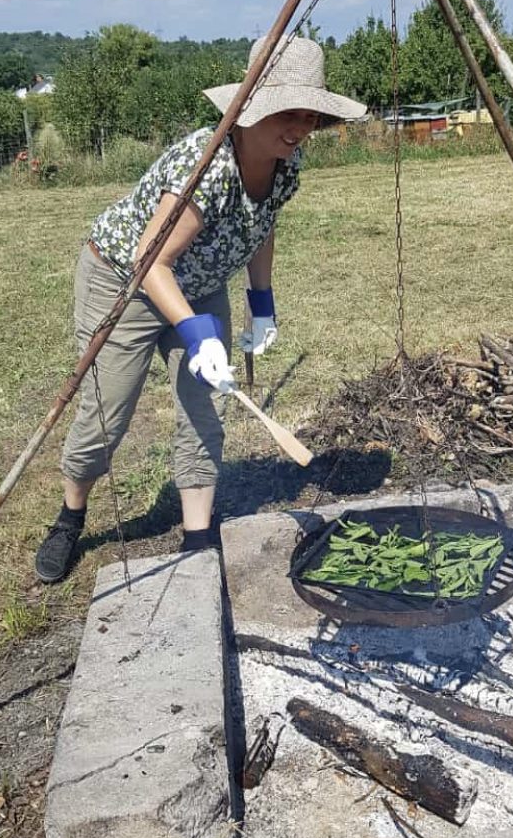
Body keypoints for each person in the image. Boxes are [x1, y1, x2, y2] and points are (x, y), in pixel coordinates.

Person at [34, 36, 366, 583]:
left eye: (310, 116)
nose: (300, 128)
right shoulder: (205, 165)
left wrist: (262, 303)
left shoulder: (288, 161)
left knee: (205, 408)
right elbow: (149, 259)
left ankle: (196, 535)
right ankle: (70, 516)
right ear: (251, 108)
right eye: (289, 113)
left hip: (200, 282)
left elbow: (262, 224)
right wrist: (194, 331)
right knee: (106, 414)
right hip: (124, 283)